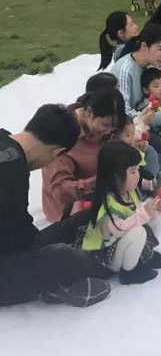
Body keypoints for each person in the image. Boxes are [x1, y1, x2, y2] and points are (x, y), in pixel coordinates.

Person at [1, 104, 112, 308]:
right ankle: (114, 261)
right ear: (58, 152)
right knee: (60, 257)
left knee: (86, 217)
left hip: (13, 244)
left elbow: (20, 230)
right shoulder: (10, 168)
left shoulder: (8, 147)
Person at [77, 141, 161, 285]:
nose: (138, 175)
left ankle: (145, 255)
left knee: (159, 218)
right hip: (108, 255)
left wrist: (154, 209)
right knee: (138, 232)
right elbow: (119, 229)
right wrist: (144, 213)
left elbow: (135, 212)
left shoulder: (129, 192)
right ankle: (129, 272)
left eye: (138, 170)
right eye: (133, 171)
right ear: (115, 176)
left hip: (122, 244)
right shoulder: (107, 203)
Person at [41, 89, 127, 223]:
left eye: (112, 129)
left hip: (104, 188)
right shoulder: (64, 137)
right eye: (104, 125)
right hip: (74, 205)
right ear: (89, 112)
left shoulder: (104, 130)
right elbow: (59, 190)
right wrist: (95, 183)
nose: (108, 132)